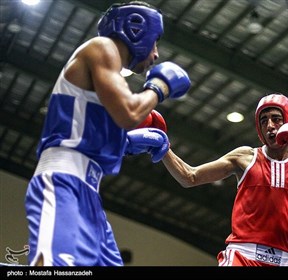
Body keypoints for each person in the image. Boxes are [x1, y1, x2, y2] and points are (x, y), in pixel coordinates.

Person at [24, 1, 190, 266]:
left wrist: (128, 143)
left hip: (89, 193)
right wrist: (159, 87)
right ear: (136, 30)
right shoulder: (102, 48)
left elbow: (87, 133)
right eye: (155, 41)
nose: (156, 54)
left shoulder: (107, 77)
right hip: (63, 182)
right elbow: (129, 113)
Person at [159, 93, 288, 266]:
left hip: (283, 260)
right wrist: (163, 148)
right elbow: (190, 177)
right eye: (264, 121)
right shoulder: (246, 157)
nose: (270, 125)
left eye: (276, 119)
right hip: (243, 256)